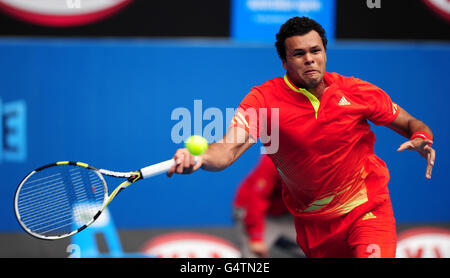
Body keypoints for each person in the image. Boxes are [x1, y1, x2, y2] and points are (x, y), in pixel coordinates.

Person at [167, 17, 436, 258]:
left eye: (315, 50)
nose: (309, 58)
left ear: (324, 54)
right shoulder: (263, 101)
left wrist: (422, 136)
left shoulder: (356, 91)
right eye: (299, 53)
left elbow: (411, 123)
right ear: (284, 62)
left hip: (367, 210)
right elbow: (228, 149)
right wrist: (200, 157)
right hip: (313, 227)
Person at [233, 155, 303, 258]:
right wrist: (256, 237)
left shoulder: (318, 162)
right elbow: (256, 199)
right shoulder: (273, 159)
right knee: (252, 255)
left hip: (286, 215)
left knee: (320, 249)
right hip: (255, 214)